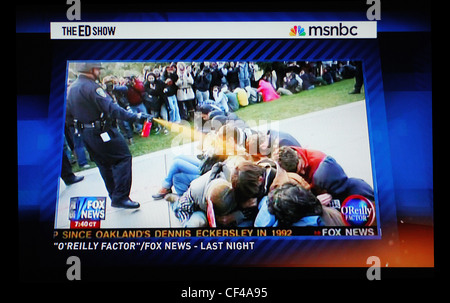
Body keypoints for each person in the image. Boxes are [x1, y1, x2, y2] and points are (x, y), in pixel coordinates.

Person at [66, 62, 150, 208]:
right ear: (91, 69)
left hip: (87, 134)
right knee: (123, 157)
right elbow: (112, 109)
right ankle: (121, 197)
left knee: (104, 164)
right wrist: (135, 117)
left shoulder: (72, 89)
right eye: (97, 69)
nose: (99, 71)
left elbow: (67, 115)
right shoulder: (93, 88)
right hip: (102, 132)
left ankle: (114, 195)